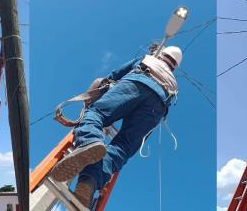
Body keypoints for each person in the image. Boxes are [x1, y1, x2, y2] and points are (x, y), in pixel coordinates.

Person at [50, 45, 182, 208]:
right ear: (174, 66)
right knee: (124, 146)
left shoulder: (147, 59)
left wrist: (101, 89)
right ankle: (89, 182)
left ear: (161, 54)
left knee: (96, 113)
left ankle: (89, 140)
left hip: (137, 82)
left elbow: (112, 77)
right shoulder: (174, 84)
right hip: (158, 105)